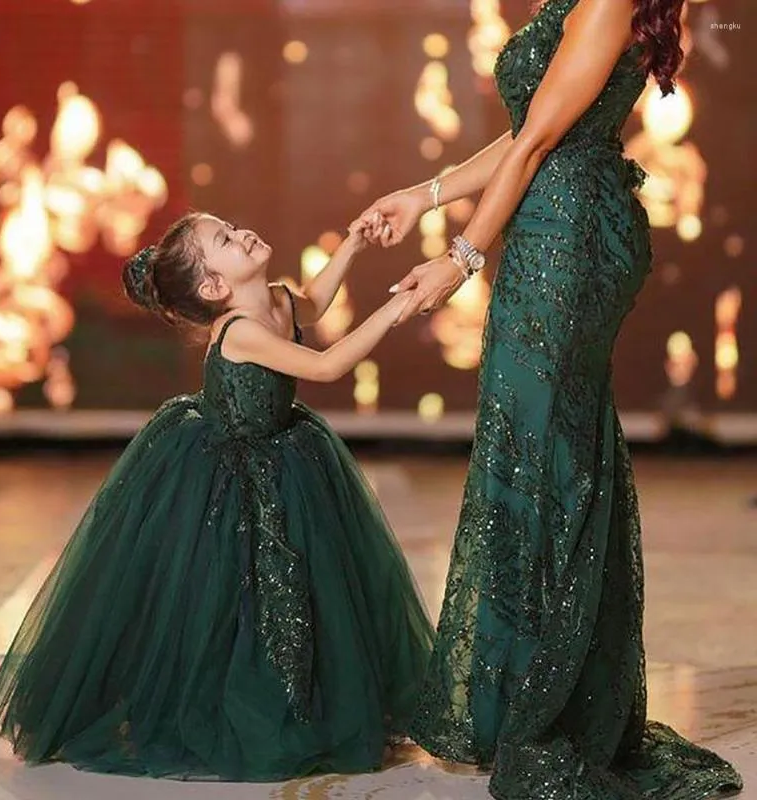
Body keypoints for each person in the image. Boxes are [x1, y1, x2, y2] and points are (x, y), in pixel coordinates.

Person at [360, 0, 743, 797]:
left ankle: (555, 706)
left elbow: (537, 143)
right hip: (551, 223)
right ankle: (531, 692)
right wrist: (422, 194)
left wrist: (458, 257)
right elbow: (531, 129)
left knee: (544, 454)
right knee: (531, 447)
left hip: (568, 238)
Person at [0, 212, 434, 781]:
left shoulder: (273, 298)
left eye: (234, 226)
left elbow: (312, 305)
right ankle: (234, 703)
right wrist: (396, 307)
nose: (244, 231)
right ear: (215, 287)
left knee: (293, 590)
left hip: (284, 451)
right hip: (225, 468)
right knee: (233, 594)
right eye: (226, 239)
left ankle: (299, 693)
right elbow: (327, 363)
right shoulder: (239, 331)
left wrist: (352, 243)